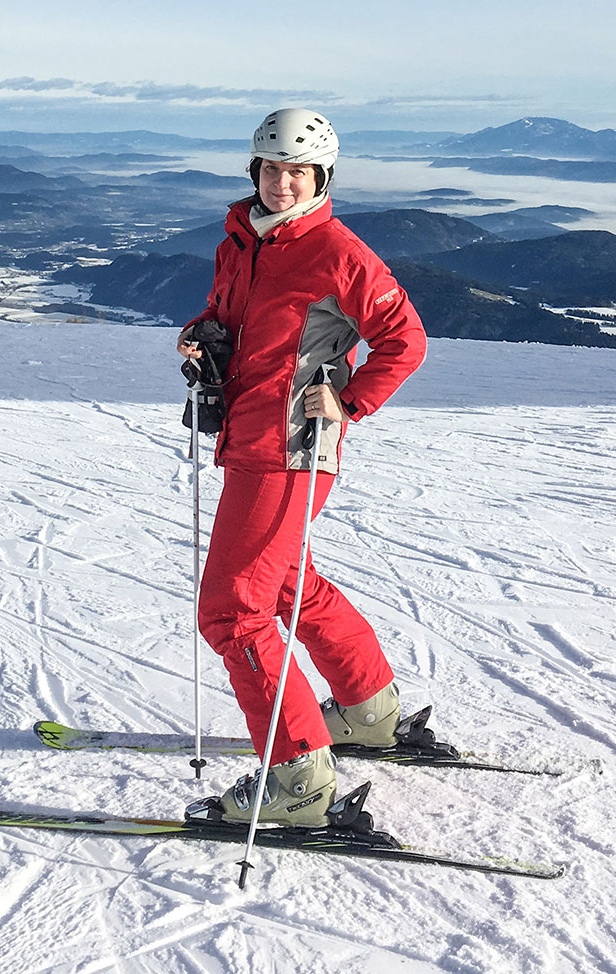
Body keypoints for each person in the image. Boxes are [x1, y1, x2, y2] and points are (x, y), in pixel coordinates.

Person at [177, 109, 427, 827]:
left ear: (322, 178)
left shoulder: (339, 252)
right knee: (285, 581)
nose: (283, 183)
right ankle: (366, 709)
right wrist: (205, 338)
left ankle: (298, 780)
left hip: (291, 452)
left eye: (299, 172)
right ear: (253, 170)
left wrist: (350, 400)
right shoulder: (242, 240)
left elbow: (403, 340)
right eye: (271, 168)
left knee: (232, 610)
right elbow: (238, 318)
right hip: (248, 440)